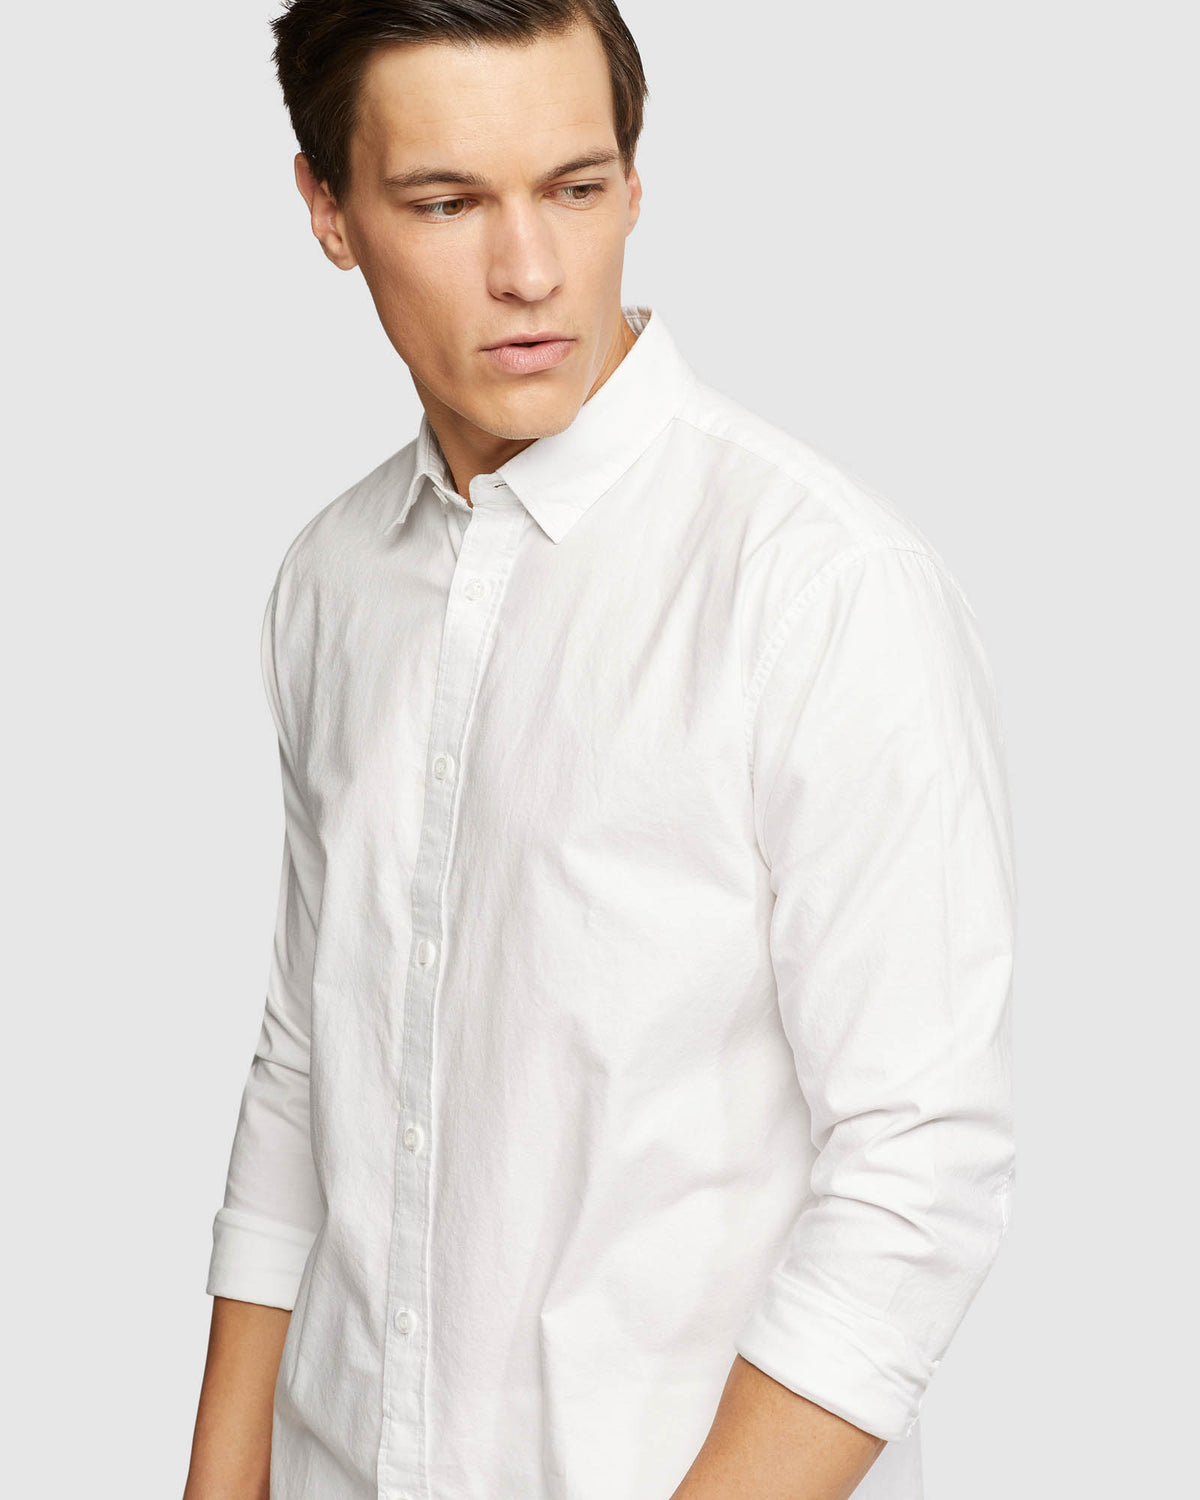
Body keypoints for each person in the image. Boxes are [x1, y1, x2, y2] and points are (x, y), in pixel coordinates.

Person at [183, 4, 1017, 1498]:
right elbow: (310, 1054)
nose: (531, 271)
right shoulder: (331, 579)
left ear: (636, 180)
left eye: (575, 187)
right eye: (447, 203)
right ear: (329, 210)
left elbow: (921, 1167)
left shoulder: (819, 588)